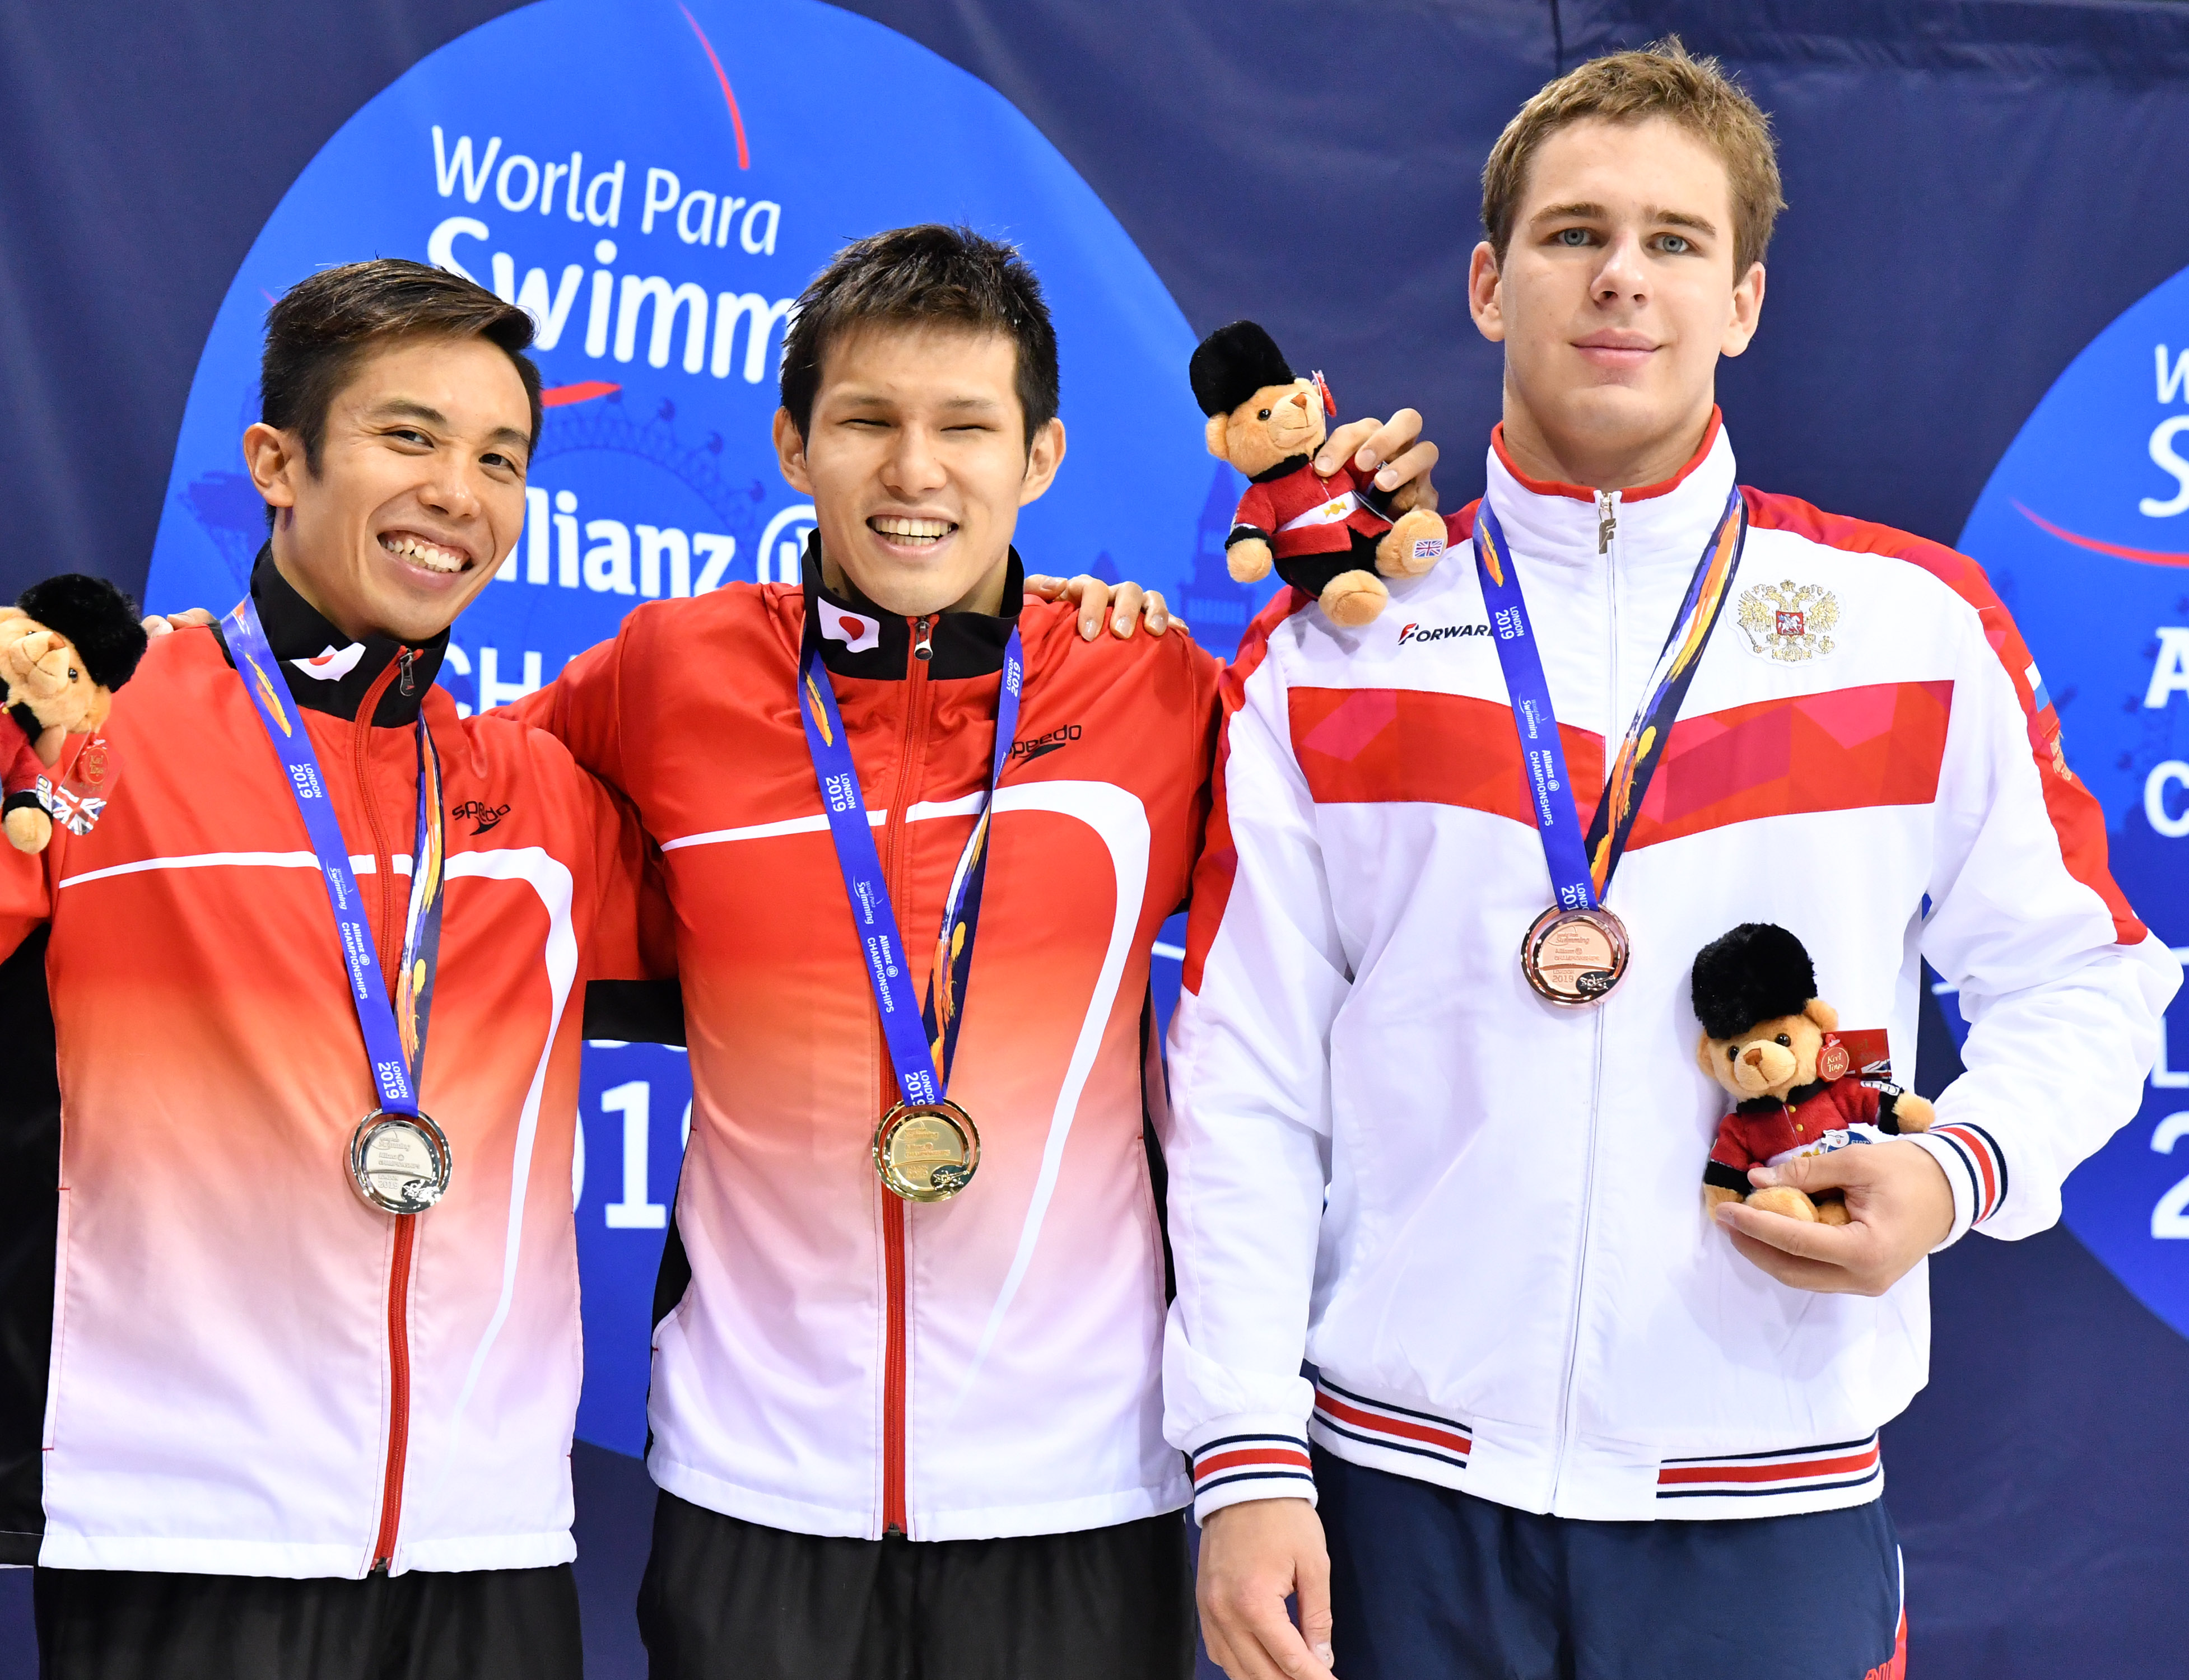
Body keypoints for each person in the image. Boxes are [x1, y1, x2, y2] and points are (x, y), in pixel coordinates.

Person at [1167, 40, 2182, 1680]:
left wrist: (1954, 1170)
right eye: (1572, 235)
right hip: (1393, 1497)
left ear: (1744, 301)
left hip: (1765, 1510)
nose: (1619, 278)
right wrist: (1239, 1454)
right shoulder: (1335, 655)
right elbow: (1242, 1080)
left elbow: (2090, 980)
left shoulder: (1906, 627)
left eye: (1672, 241)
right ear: (1490, 285)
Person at [509, 224, 1437, 1680]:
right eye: (867, 422)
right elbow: (421, 814)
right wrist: (189, 686)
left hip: (1078, 1484)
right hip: (750, 1484)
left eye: (964, 427)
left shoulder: (1152, 683)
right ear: (791, 445)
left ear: (1041, 456)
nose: (915, 471)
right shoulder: (668, 671)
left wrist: (1397, 591)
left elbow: (1405, 850)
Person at [0, 259, 653, 1679]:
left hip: (493, 1559)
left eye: (500, 458)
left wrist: (1043, 626)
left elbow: (821, 919)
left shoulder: (544, 800)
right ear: (276, 462)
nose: (460, 492)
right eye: (409, 438)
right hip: (177, 1548)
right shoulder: (88, 729)